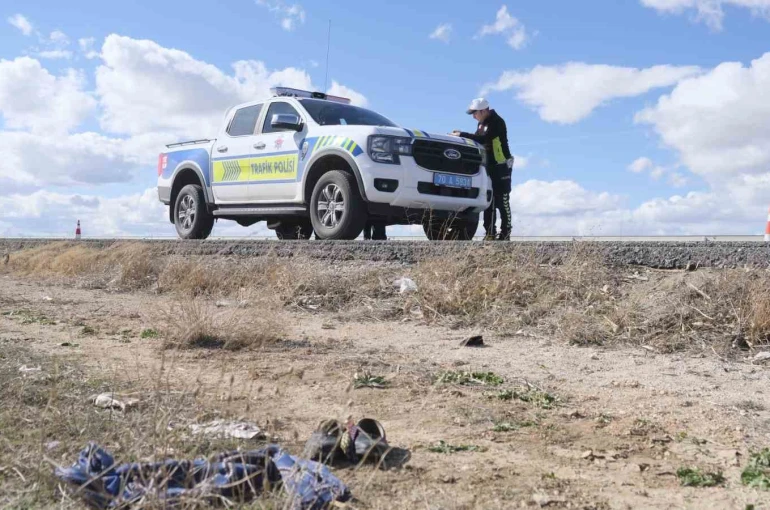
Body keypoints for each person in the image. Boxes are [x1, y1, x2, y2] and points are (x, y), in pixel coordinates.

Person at [452, 98, 514, 241]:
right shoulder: (481, 123)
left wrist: (462, 134)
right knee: (489, 200)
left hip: (501, 165)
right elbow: (477, 139)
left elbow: (484, 138)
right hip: (488, 165)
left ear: (483, 111)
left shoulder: (497, 121)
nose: (474, 116)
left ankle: (505, 233)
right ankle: (490, 233)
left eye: (475, 113)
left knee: (502, 200)